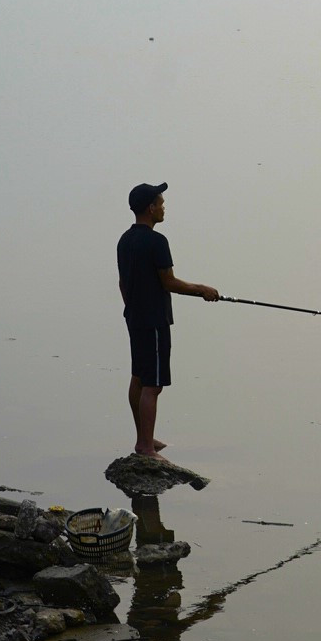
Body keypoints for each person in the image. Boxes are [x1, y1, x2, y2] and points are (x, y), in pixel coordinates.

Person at [117, 182, 219, 457]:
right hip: (154, 321)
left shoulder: (124, 240)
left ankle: (144, 439)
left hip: (134, 318)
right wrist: (202, 290)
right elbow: (169, 282)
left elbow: (122, 283)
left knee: (138, 377)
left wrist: (132, 308)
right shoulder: (157, 242)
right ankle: (146, 447)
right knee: (153, 384)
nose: (164, 208)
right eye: (161, 204)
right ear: (150, 208)